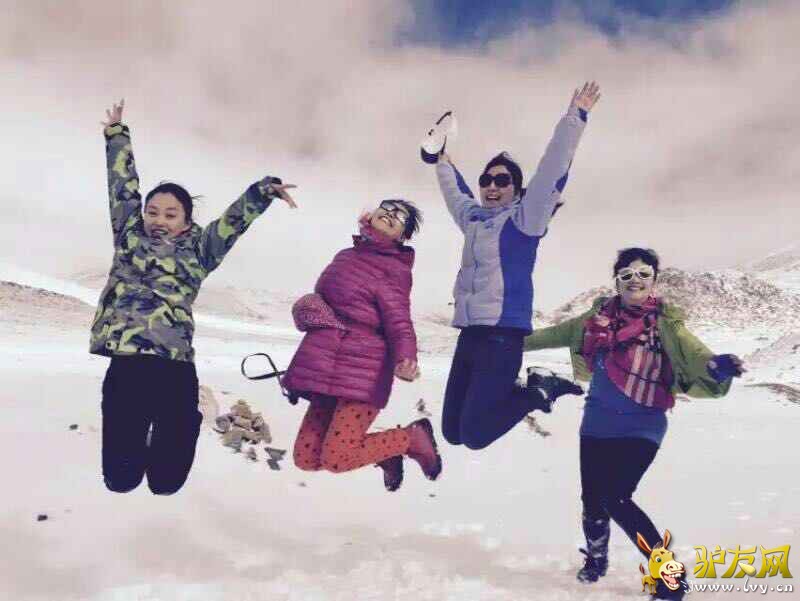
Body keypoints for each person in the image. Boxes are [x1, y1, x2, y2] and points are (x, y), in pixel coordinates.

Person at [92, 99, 297, 495]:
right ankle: (143, 435)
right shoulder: (129, 234)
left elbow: (233, 221)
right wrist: (116, 134)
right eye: (153, 212)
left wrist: (263, 191)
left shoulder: (201, 249)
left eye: (170, 214)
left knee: (166, 484)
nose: (159, 220)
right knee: (120, 481)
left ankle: (190, 415)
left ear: (186, 221)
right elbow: (122, 185)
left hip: (174, 369)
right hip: (126, 366)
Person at [524, 247, 744, 598]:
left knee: (616, 497)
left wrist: (717, 366)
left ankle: (669, 577)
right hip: (597, 424)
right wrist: (499, 343)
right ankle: (596, 560)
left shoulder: (666, 324)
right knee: (593, 500)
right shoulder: (593, 321)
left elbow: (696, 354)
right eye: (626, 274)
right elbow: (545, 336)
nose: (634, 280)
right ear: (616, 281)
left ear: (654, 280)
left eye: (643, 274)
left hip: (643, 425)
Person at [432, 82, 600, 451]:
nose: (492, 186)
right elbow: (455, 194)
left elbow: (552, 169)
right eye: (486, 180)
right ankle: (525, 390)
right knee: (452, 433)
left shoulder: (525, 220)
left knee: (475, 437)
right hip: (470, 336)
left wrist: (575, 117)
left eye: (502, 180)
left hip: (502, 339)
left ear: (517, 189)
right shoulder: (474, 220)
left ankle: (539, 390)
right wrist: (440, 160)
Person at [281, 201, 441, 492]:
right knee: (306, 457)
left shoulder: (394, 269)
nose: (391, 213)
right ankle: (386, 453)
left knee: (337, 458)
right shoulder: (345, 255)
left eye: (400, 215)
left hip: (365, 370)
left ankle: (411, 438)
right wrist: (308, 308)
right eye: (387, 207)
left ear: (403, 235)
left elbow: (399, 320)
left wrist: (406, 359)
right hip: (327, 367)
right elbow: (326, 302)